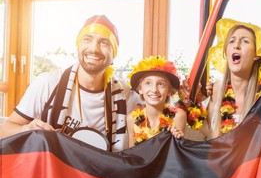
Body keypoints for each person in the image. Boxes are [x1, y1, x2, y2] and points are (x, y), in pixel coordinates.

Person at [0, 15, 140, 152]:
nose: (94, 49)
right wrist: (26, 129)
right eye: (87, 39)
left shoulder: (124, 94)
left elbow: (155, 114)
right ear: (78, 46)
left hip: (101, 172)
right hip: (53, 170)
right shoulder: (48, 84)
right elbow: (4, 130)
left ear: (113, 54)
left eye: (104, 42)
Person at [205, 18, 261, 151]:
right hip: (220, 167)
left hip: (253, 167)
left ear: (256, 56)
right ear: (226, 52)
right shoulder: (216, 90)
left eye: (245, 41)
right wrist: (190, 103)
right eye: (231, 41)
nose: (237, 45)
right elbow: (208, 137)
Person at [126, 56, 186, 147]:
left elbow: (176, 154)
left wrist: (178, 139)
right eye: (148, 83)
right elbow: (130, 153)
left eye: (161, 84)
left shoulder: (178, 116)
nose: (154, 90)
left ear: (169, 91)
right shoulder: (132, 118)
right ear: (140, 89)